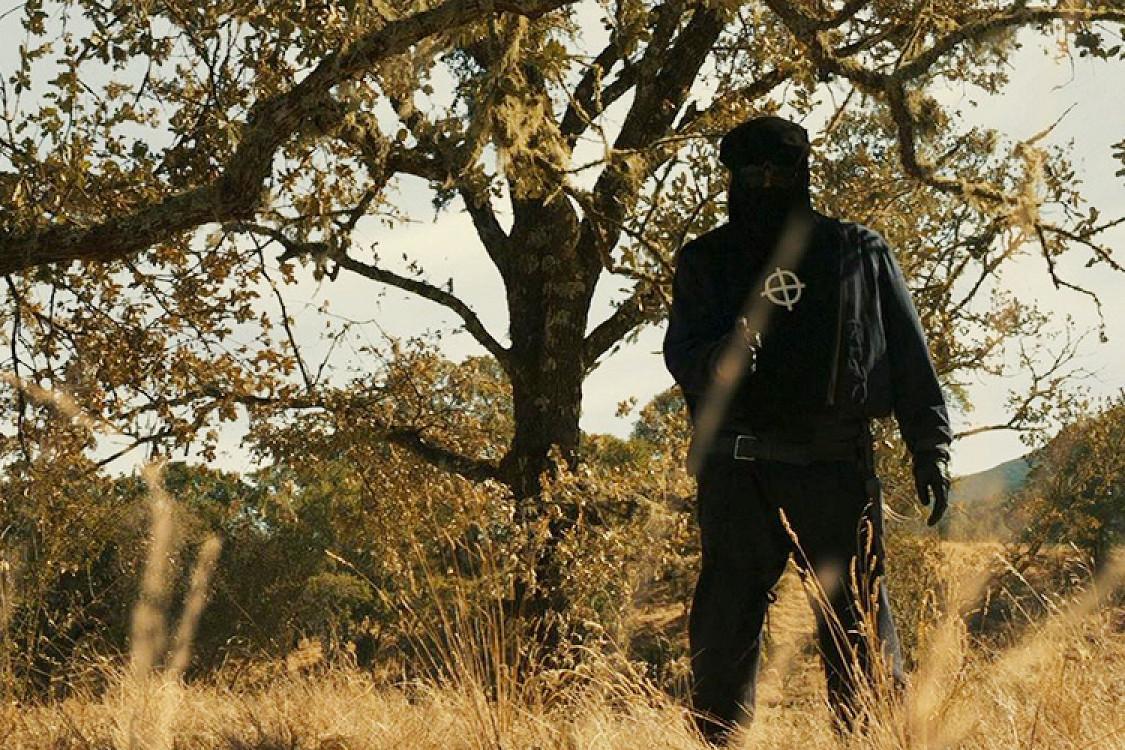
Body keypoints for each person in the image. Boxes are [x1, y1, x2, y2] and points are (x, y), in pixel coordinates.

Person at [663, 115, 952, 744]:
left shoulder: (859, 252)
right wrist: (724, 356)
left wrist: (930, 446)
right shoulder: (706, 260)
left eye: (779, 171)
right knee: (723, 637)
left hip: (834, 472)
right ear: (733, 178)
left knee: (859, 633)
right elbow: (681, 355)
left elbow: (908, 354)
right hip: (739, 474)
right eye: (753, 173)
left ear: (803, 172)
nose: (766, 183)